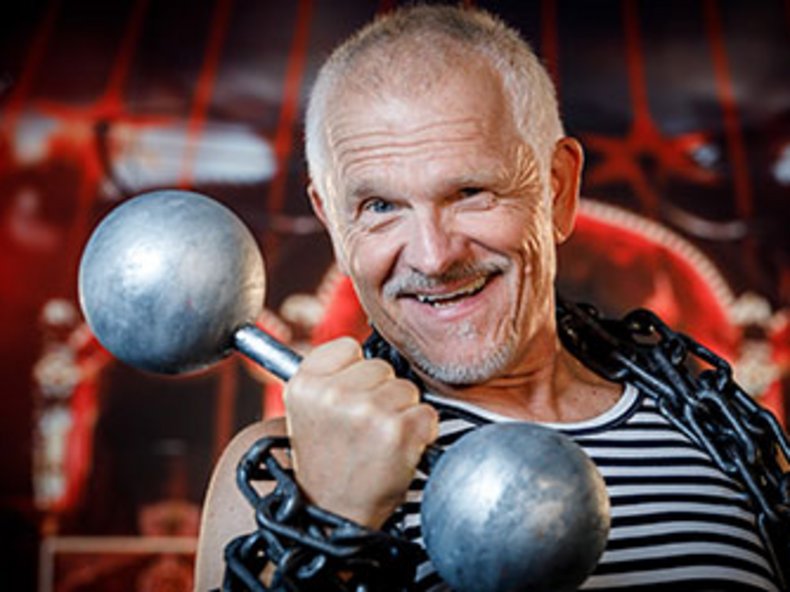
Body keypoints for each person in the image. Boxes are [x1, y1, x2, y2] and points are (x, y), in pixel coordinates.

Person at [195, 5, 783, 591]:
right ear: (333, 222)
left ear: (557, 189)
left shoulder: (725, 440)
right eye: (380, 206)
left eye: (470, 192)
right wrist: (331, 518)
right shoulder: (282, 474)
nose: (433, 257)